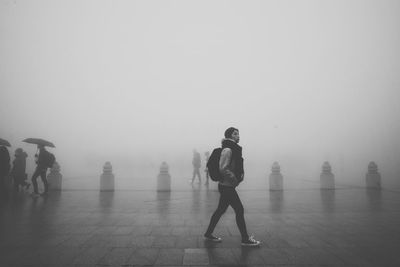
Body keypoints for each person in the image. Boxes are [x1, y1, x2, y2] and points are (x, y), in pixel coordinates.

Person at [204, 127, 261, 246]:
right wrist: (234, 179)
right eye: (235, 134)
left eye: (238, 133)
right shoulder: (228, 150)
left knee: (220, 210)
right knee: (239, 209)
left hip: (226, 186)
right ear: (229, 136)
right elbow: (223, 168)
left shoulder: (232, 149)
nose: (238, 136)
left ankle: (208, 234)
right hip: (227, 186)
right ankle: (245, 239)